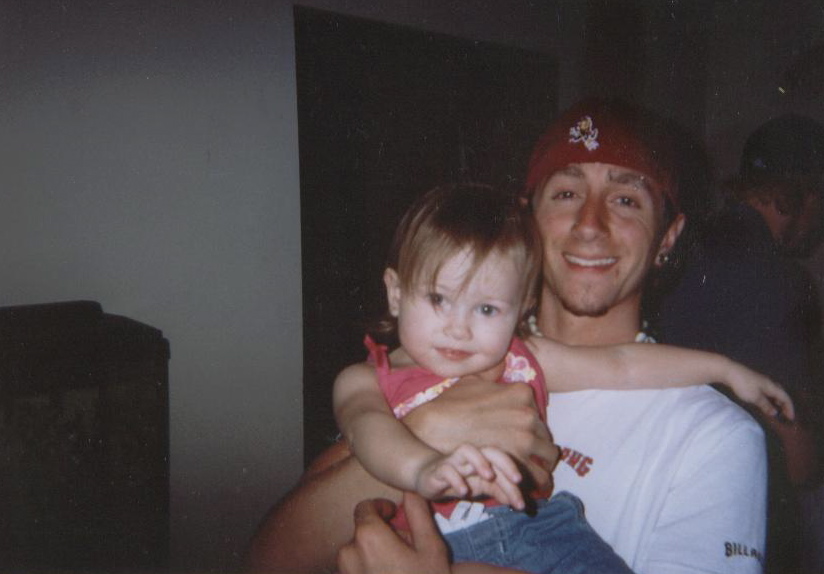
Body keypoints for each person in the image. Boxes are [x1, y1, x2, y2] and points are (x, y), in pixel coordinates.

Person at [248, 98, 774, 573]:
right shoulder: (423, 367)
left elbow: (622, 365)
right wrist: (428, 432)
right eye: (566, 193)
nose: (590, 224)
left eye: (626, 200)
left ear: (669, 236)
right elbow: (269, 558)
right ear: (527, 221)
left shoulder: (715, 437)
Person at [334, 182, 790, 574]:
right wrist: (422, 468)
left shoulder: (521, 356)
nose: (459, 328)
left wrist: (724, 369)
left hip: (541, 532)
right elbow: (368, 430)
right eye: (438, 298)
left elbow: (622, 365)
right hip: (430, 541)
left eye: (487, 308)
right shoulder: (367, 379)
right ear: (396, 292)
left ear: (521, 308)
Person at [653, 114, 824, 573]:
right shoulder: (785, 281)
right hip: (733, 497)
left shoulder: (680, 243)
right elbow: (800, 463)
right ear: (806, 195)